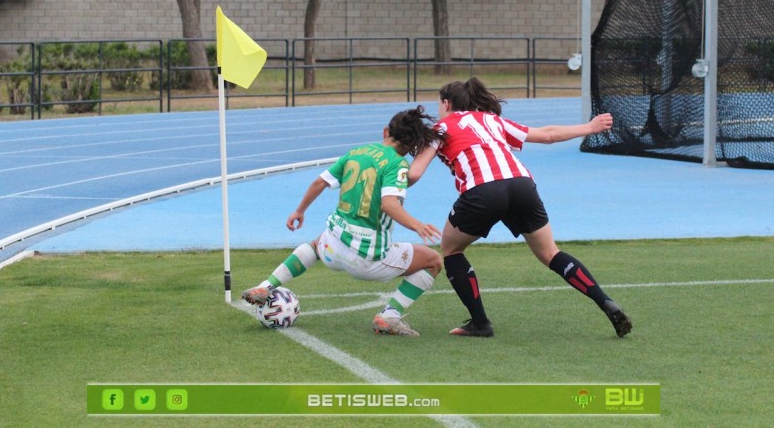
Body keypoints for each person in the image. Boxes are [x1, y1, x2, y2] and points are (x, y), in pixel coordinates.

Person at [407, 78, 632, 338]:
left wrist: (385, 187)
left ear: (446, 103)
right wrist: (589, 127)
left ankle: (480, 323)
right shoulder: (491, 120)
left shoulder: (440, 129)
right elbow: (547, 135)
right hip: (522, 185)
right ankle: (605, 301)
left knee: (451, 249)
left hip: (483, 190)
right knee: (550, 252)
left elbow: (415, 173)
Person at [241, 106, 444, 336]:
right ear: (411, 147)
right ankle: (390, 315)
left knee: (315, 245)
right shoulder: (398, 164)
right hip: (367, 259)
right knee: (433, 261)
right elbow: (389, 204)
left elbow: (320, 182)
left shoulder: (356, 152)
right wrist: (417, 225)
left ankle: (266, 286)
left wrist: (299, 211)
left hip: (332, 247)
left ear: (385, 131)